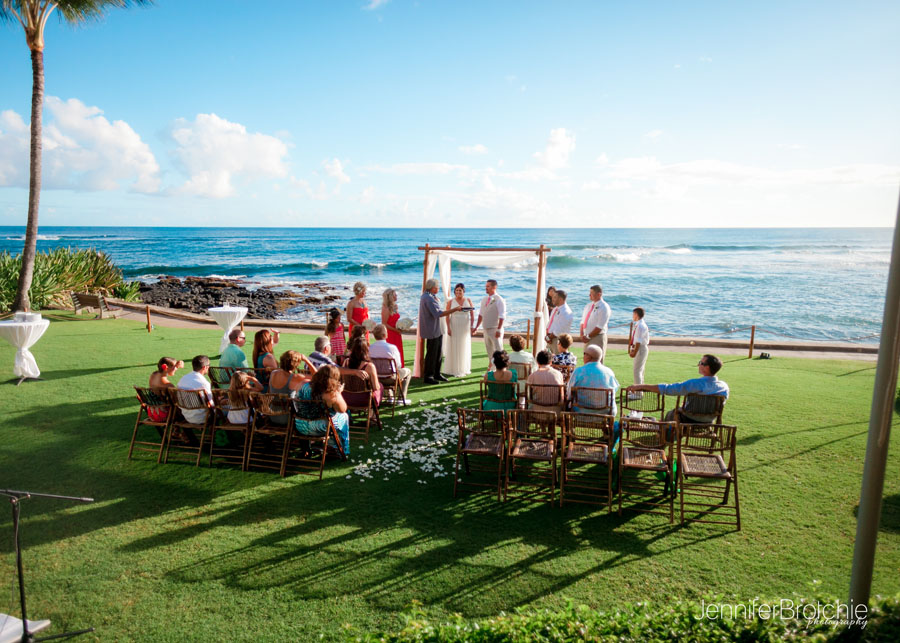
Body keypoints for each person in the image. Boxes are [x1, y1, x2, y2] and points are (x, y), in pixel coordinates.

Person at [626, 354, 729, 423]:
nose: (698, 364)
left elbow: (668, 389)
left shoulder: (695, 384)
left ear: (707, 367)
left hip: (689, 418)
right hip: (709, 420)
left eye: (701, 363)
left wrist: (641, 386)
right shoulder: (724, 387)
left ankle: (663, 437)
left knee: (671, 414)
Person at [293, 365, 351, 456]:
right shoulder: (331, 393)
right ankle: (338, 448)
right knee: (344, 416)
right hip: (320, 428)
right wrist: (339, 393)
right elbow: (343, 409)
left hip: (300, 425)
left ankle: (307, 449)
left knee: (330, 417)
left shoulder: (303, 384)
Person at [419, 278, 460, 384]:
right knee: (432, 354)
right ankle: (428, 376)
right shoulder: (428, 298)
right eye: (437, 287)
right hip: (432, 329)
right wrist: (454, 310)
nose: (438, 289)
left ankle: (436, 373)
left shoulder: (429, 296)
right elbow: (438, 314)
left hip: (436, 329)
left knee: (438, 352)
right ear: (433, 288)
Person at [267, 350, 316, 426]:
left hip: (272, 415)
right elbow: (317, 376)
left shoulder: (273, 373)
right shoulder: (295, 377)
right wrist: (307, 360)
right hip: (288, 417)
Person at [568, 345, 619, 416]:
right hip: (605, 413)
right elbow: (614, 390)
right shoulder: (609, 372)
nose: (583, 356)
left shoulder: (579, 371)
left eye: (584, 353)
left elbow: (569, 393)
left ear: (589, 357)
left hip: (581, 413)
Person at [370, 323, 412, 404]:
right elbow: (398, 365)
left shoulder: (370, 348)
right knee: (408, 371)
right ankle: (401, 397)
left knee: (388, 371)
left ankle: (390, 396)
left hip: (375, 378)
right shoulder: (392, 348)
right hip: (390, 378)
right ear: (385, 335)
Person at [472, 279, 506, 369]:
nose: (486, 288)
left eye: (488, 286)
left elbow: (502, 316)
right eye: (486, 286)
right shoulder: (484, 299)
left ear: (494, 287)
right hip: (486, 329)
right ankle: (491, 370)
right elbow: (481, 314)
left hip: (495, 329)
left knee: (499, 350)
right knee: (490, 351)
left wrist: (499, 329)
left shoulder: (499, 300)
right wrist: (476, 327)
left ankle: (501, 370)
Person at [444, 282, 474, 377]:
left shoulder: (468, 300)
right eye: (456, 290)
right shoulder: (451, 302)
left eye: (460, 290)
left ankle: (463, 368)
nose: (458, 292)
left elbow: (472, 314)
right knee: (454, 345)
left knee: (464, 345)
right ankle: (454, 368)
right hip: (454, 325)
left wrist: (472, 326)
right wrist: (448, 328)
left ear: (463, 291)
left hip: (465, 325)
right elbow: (447, 315)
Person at [345, 338, 383, 406]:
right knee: (380, 386)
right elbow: (375, 387)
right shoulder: (369, 366)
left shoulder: (346, 362)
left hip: (347, 397)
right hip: (363, 399)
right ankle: (374, 410)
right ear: (366, 350)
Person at [177, 355, 214, 424]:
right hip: (203, 417)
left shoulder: (182, 379)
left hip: (187, 415)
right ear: (205, 367)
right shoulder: (203, 383)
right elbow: (211, 404)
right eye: (209, 365)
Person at [580, 284, 611, 364]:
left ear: (599, 294)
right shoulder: (588, 306)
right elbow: (582, 322)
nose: (589, 295)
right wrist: (582, 334)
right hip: (587, 337)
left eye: (591, 293)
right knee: (586, 361)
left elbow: (599, 327)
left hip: (597, 337)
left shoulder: (604, 307)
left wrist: (588, 336)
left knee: (597, 362)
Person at [147, 357, 184, 421]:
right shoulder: (168, 385)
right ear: (165, 367)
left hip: (152, 413)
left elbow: (167, 369)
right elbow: (177, 401)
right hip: (163, 415)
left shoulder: (153, 374)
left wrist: (175, 365)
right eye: (174, 367)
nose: (176, 369)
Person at [381, 288, 406, 367]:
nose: (396, 296)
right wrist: (395, 330)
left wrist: (401, 326)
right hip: (390, 333)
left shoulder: (395, 306)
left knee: (398, 351)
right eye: (395, 295)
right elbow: (384, 324)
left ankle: (399, 368)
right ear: (390, 297)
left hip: (397, 332)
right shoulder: (385, 308)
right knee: (391, 352)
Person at [545, 289, 574, 354]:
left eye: (555, 297)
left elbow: (559, 330)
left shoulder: (566, 312)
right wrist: (547, 335)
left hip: (558, 341)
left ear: (560, 299)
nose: (552, 299)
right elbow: (550, 323)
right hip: (550, 339)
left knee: (557, 358)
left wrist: (549, 337)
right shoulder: (555, 309)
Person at [629, 307, 650, 386]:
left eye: (633, 314)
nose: (632, 316)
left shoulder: (640, 326)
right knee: (640, 370)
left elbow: (638, 341)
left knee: (637, 371)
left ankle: (638, 391)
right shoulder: (639, 324)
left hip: (640, 349)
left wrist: (634, 352)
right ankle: (640, 389)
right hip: (640, 348)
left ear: (636, 314)